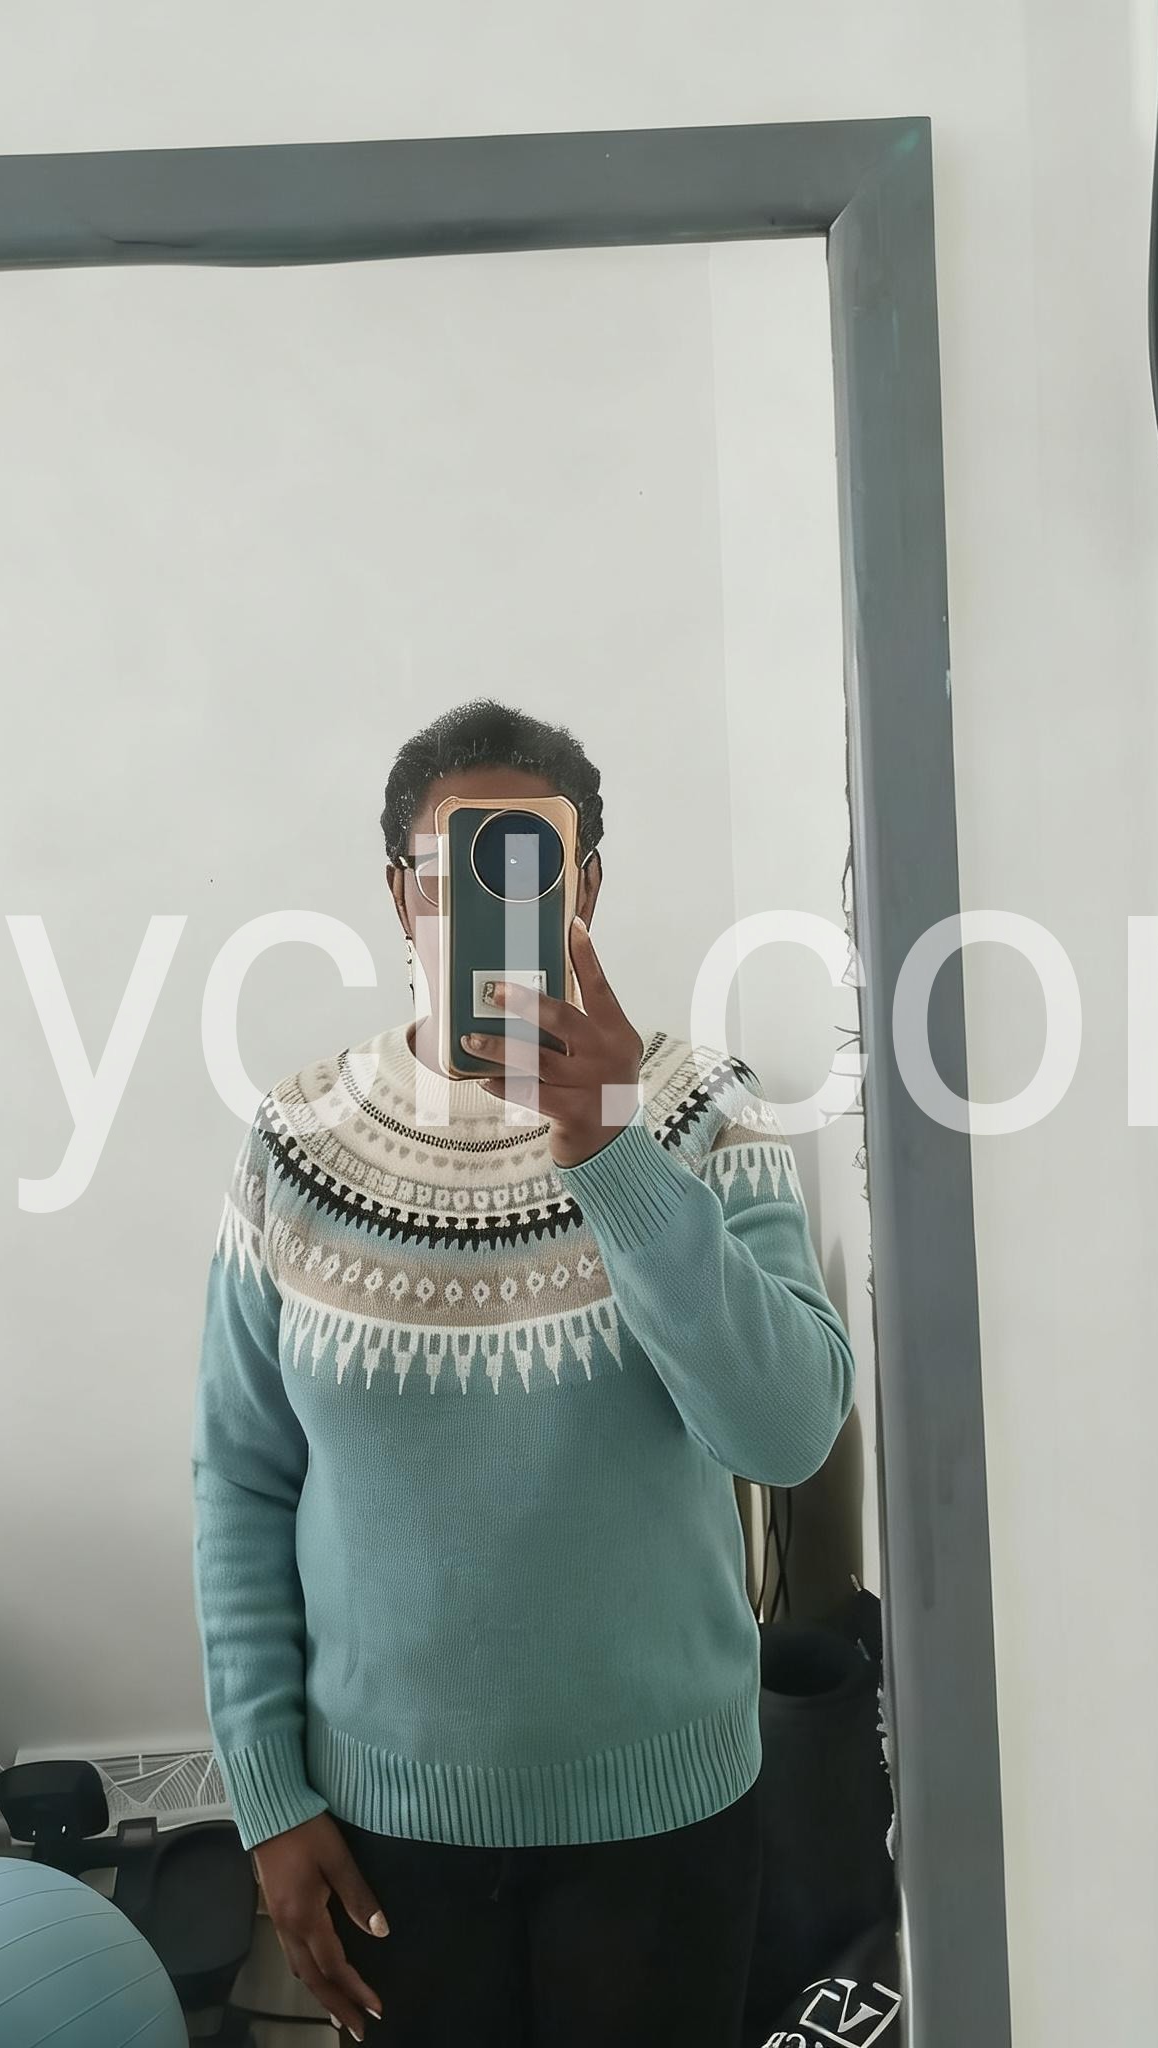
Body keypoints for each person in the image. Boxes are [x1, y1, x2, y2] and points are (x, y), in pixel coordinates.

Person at [192, 699, 855, 2046]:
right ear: (400, 895)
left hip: (664, 1814)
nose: (485, 908)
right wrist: (267, 1793)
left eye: (530, 867)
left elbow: (788, 1432)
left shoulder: (703, 1110)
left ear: (586, 887)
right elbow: (242, 1482)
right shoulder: (296, 1142)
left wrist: (612, 1153)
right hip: (383, 1822)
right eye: (451, 874)